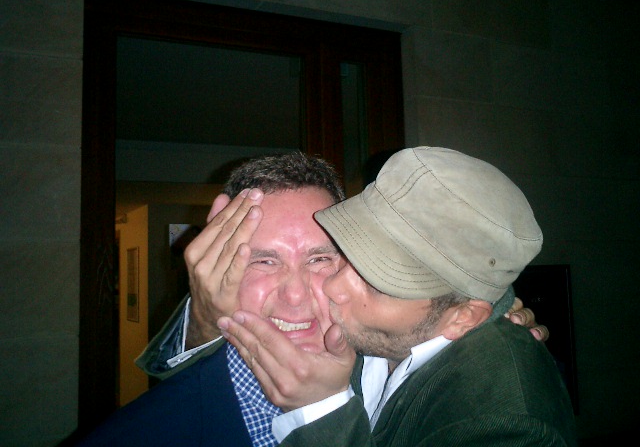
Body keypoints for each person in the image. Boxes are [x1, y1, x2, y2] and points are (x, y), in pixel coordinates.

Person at [76, 151, 548, 447]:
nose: (298, 294)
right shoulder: (137, 436)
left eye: (322, 259)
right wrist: (203, 319)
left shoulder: (387, 342)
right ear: (216, 267)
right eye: (264, 261)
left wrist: (492, 310)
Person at [218, 146, 577, 446]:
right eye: (349, 252)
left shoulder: (506, 428)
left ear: (463, 317)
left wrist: (320, 412)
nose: (332, 287)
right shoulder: (383, 332)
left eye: (377, 281)